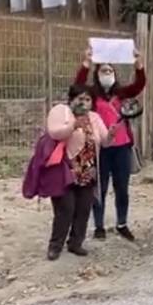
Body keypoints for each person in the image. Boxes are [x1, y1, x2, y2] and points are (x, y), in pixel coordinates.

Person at [24, 86, 115, 260]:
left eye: (88, 100)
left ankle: (75, 243)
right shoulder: (62, 112)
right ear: (72, 99)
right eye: (80, 99)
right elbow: (55, 133)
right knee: (65, 209)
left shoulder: (94, 118)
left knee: (83, 209)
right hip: (64, 171)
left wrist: (110, 135)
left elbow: (104, 142)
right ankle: (55, 246)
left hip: (87, 171)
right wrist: (73, 126)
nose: (84, 103)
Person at [74, 47, 146, 242]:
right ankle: (99, 226)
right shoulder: (92, 95)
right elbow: (78, 86)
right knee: (100, 188)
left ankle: (122, 224)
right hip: (101, 149)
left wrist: (138, 63)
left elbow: (140, 84)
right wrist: (86, 63)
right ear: (97, 75)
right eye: (103, 71)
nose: (107, 74)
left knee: (122, 187)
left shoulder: (122, 93)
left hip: (122, 147)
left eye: (110, 71)